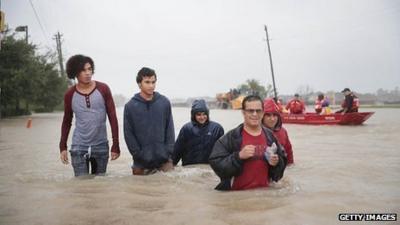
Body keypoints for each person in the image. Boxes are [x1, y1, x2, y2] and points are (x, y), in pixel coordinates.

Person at [209, 95, 287, 191]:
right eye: (250, 111)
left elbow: (280, 169)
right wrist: (238, 156)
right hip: (236, 198)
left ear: (262, 113)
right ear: (243, 112)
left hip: (265, 196)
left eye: (258, 111)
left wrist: (276, 163)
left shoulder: (270, 136)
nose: (255, 114)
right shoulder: (231, 137)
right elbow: (216, 164)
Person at [59, 54, 120, 176]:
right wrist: (63, 147)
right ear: (75, 72)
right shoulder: (70, 94)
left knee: (99, 187)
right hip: (78, 147)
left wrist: (116, 144)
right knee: (82, 188)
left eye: (89, 69)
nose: (87, 73)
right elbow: (67, 121)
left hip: (101, 146)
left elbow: (112, 117)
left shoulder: (103, 89)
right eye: (83, 70)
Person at [124, 67, 175, 175]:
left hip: (164, 160)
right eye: (147, 82)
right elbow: (128, 133)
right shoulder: (130, 106)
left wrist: (167, 152)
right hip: (140, 163)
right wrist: (138, 154)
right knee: (140, 191)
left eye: (153, 82)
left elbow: (170, 129)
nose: (151, 85)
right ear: (139, 84)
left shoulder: (164, 102)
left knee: (168, 190)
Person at [172, 99, 224, 166]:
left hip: (210, 168)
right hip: (190, 169)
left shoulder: (217, 128)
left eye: (204, 114)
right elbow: (177, 151)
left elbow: (222, 152)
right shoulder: (186, 129)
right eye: (199, 115)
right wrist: (172, 165)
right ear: (194, 115)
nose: (202, 117)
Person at [262, 98, 294, 165]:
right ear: (262, 116)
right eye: (268, 115)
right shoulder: (256, 132)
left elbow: (289, 151)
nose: (272, 119)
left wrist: (290, 165)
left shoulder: (283, 131)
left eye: (275, 115)